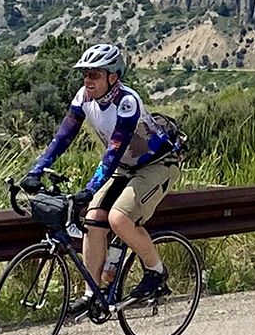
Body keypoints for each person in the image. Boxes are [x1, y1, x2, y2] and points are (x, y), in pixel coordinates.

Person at [21, 43, 182, 314]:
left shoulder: (127, 102)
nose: (88, 80)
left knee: (119, 218)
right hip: (124, 167)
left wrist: (90, 188)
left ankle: (156, 272)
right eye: (85, 74)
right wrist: (36, 170)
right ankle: (92, 293)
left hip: (155, 165)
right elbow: (62, 137)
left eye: (94, 75)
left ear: (113, 77)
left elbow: (114, 150)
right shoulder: (83, 97)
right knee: (93, 219)